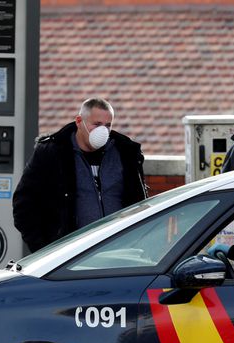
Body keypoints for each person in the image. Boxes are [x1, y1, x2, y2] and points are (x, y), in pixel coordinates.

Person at [13, 97, 147, 252]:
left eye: (107, 125)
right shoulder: (53, 153)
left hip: (119, 251)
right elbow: (24, 204)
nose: (102, 131)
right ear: (79, 121)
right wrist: (43, 249)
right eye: (96, 124)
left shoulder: (125, 153)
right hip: (68, 255)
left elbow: (139, 202)